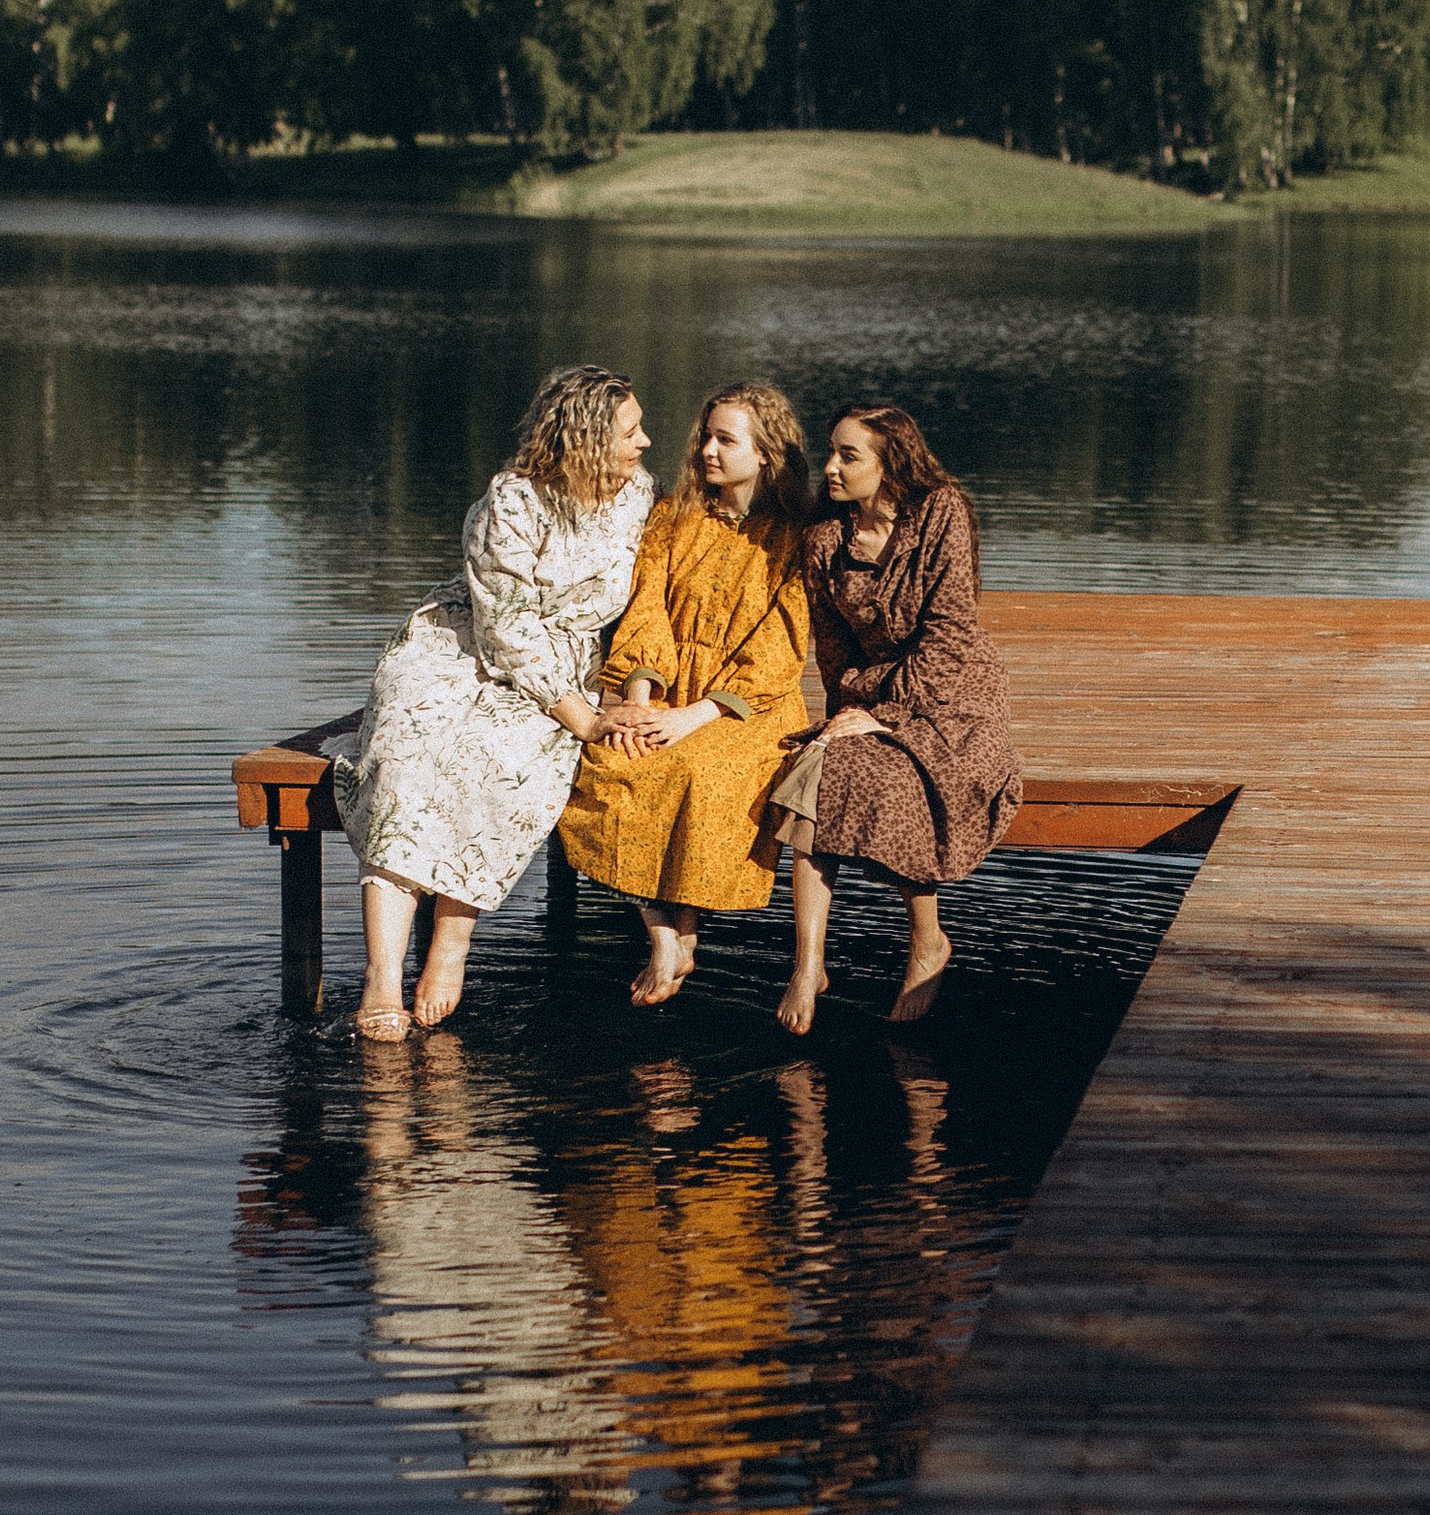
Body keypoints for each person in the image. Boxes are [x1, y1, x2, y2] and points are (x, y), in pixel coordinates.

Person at [334, 364, 661, 1041]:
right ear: (587, 439)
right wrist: (586, 720)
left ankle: (451, 944)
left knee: (506, 754)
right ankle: (382, 975)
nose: (646, 442)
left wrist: (602, 705)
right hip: (465, 643)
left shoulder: (638, 496)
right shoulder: (510, 502)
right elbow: (507, 631)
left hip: (569, 661)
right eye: (631, 431)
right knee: (407, 757)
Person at [761, 404, 1022, 1030]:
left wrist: (885, 715)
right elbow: (833, 650)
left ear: (891, 464)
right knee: (819, 769)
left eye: (848, 456)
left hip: (953, 694)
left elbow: (949, 634)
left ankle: (929, 939)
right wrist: (850, 714)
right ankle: (807, 964)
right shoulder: (826, 538)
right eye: (831, 452)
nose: (829, 467)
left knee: (903, 781)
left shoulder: (941, 513)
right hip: (868, 696)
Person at [558, 382, 813, 1007]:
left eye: (726, 440)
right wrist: (640, 700)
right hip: (669, 688)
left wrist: (697, 715)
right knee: (613, 756)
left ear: (768, 452)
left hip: (749, 705)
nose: (707, 450)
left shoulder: (795, 536)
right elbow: (647, 612)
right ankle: (665, 932)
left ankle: (687, 923)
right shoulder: (674, 516)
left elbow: (778, 653)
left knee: (704, 772)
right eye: (706, 436)